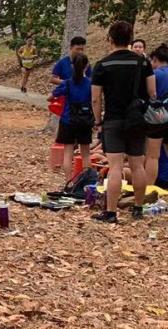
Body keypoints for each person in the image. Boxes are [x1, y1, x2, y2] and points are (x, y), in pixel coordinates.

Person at [91, 21, 156, 222]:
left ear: (110, 39)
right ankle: (138, 208)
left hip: (113, 119)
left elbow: (95, 98)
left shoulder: (102, 65)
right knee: (138, 165)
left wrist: (98, 121)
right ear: (130, 39)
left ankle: (111, 212)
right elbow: (152, 92)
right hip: (137, 120)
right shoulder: (143, 63)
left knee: (116, 166)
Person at [51, 53, 94, 184]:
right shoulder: (90, 84)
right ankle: (85, 183)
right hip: (85, 121)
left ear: (72, 66)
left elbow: (52, 95)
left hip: (68, 120)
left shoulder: (68, 83)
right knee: (85, 153)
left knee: (68, 152)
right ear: (87, 66)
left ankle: (68, 182)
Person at [144, 45, 168, 181]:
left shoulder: (154, 75)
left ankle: (149, 191)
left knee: (153, 156)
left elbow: (149, 95)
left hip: (158, 116)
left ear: (155, 59)